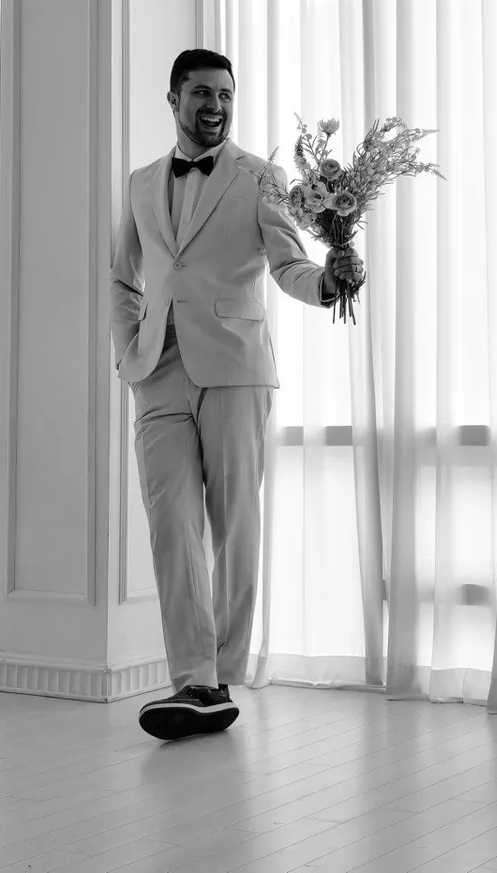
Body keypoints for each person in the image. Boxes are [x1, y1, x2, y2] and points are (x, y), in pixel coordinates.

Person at [110, 49, 364, 742]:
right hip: (157, 370)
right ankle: (192, 680)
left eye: (225, 94)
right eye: (201, 93)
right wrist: (128, 350)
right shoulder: (139, 182)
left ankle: (218, 676)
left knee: (234, 525)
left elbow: (287, 264)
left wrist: (329, 282)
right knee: (170, 524)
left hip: (235, 365)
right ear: (173, 99)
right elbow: (123, 276)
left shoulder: (260, 177)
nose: (215, 106)